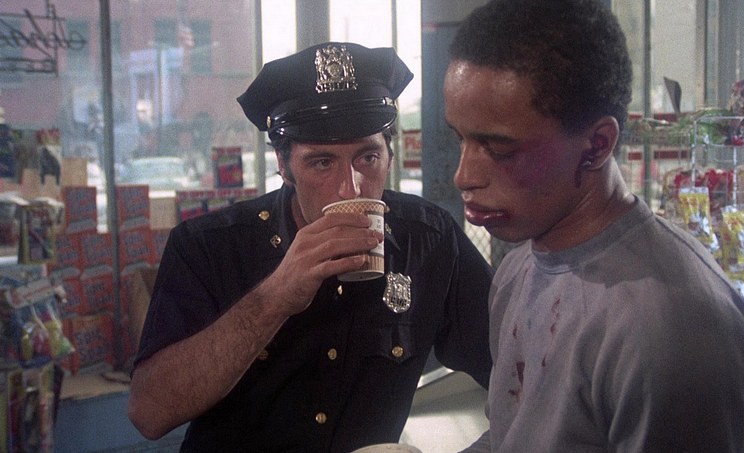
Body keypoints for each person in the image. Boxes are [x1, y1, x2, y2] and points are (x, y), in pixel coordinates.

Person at [443, 0, 744, 452]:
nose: (464, 176)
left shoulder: (667, 329)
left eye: (498, 148)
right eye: (460, 139)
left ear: (597, 145)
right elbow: (512, 437)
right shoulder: (518, 271)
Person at [128, 42, 494, 452]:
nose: (350, 188)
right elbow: (150, 414)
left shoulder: (428, 238)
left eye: (368, 158)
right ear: (284, 167)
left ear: (390, 155)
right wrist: (274, 297)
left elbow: (519, 372)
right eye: (322, 162)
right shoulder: (209, 247)